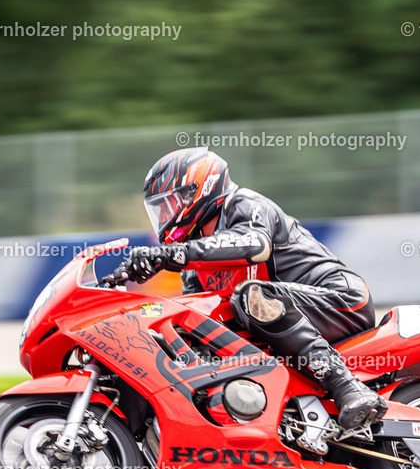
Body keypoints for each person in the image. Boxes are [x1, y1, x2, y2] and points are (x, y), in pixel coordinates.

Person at [126, 147, 386, 429]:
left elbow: (254, 245)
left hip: (340, 300)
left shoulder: (245, 203)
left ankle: (348, 387)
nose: (164, 214)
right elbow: (197, 317)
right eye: (159, 208)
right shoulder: (195, 258)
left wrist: (172, 254)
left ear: (197, 189)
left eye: (169, 203)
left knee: (252, 295)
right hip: (285, 316)